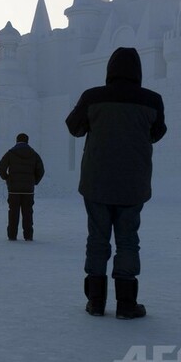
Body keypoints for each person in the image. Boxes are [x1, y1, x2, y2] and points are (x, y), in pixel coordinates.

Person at [66, 47, 166, 320]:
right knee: (128, 241)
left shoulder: (93, 97)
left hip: (96, 181)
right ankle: (126, 304)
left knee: (97, 238)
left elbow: (74, 128)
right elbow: (157, 133)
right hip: (133, 183)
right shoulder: (152, 100)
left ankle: (95, 302)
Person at [0, 133, 45, 241]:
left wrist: (7, 178)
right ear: (27, 141)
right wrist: (34, 181)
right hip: (28, 190)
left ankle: (12, 236)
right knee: (27, 213)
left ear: (16, 141)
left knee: (13, 213)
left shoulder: (10, 153)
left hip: (13, 190)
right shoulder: (34, 154)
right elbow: (41, 170)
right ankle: (28, 236)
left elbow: (1, 168)